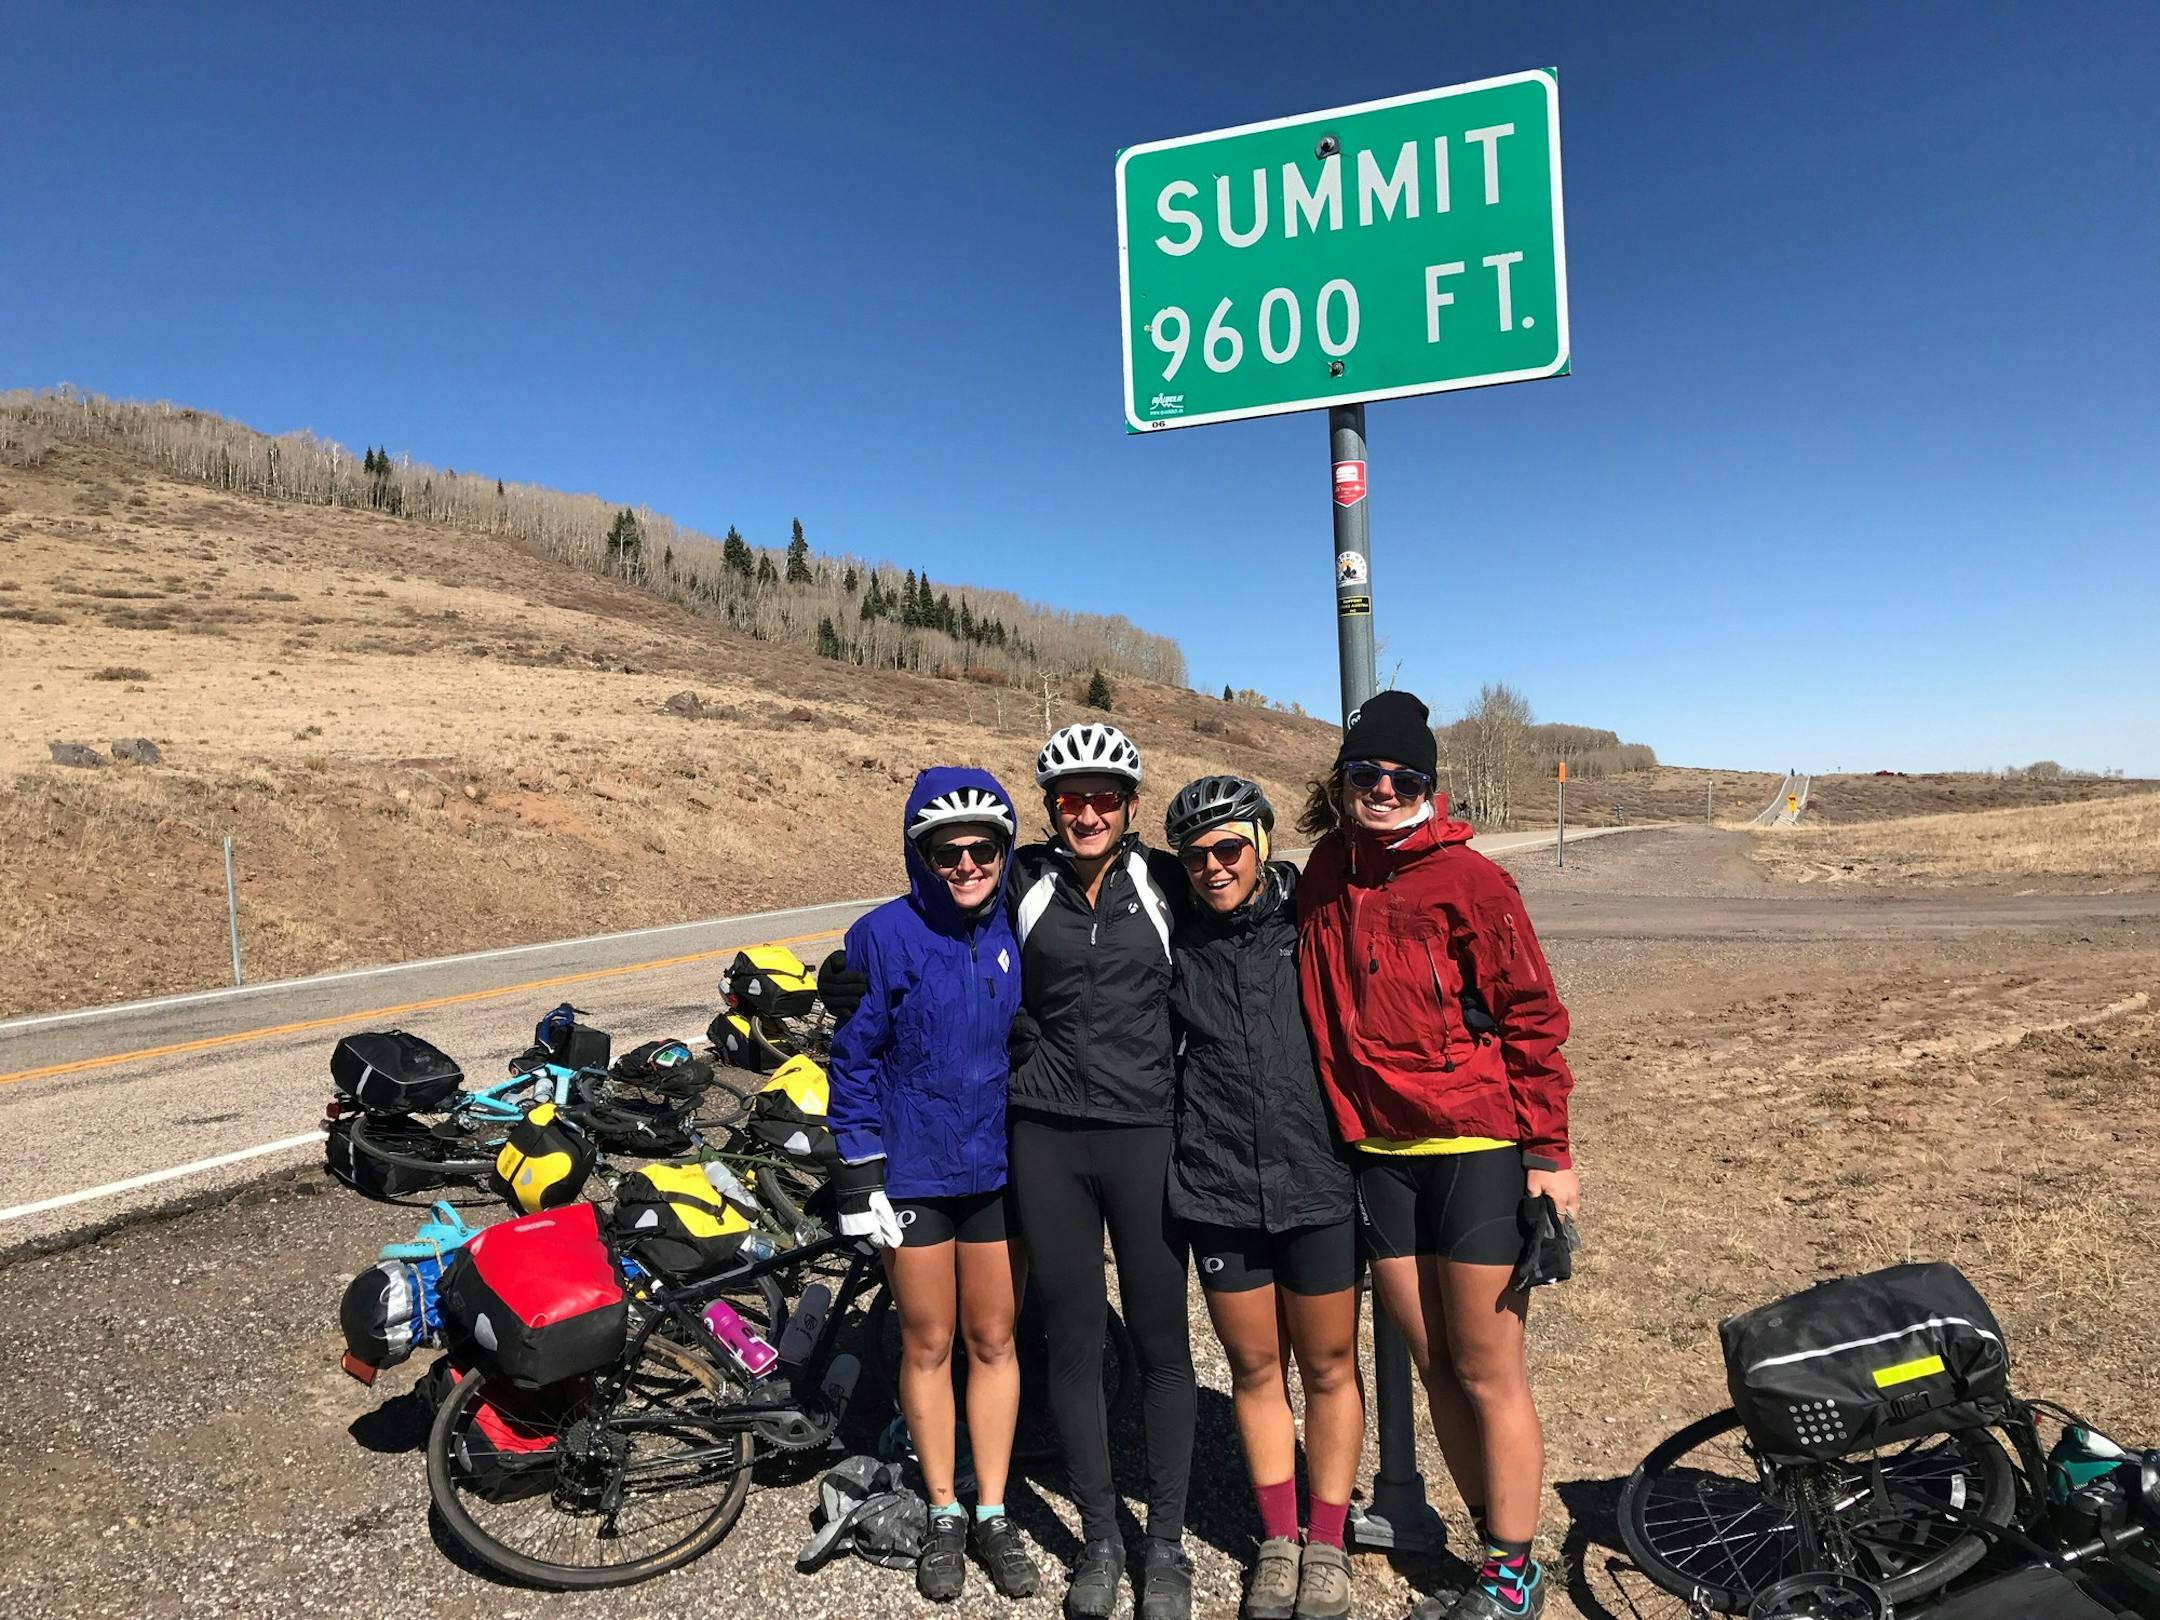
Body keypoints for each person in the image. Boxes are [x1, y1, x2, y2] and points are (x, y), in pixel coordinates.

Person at [1294, 691, 1580, 1620]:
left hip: (1475, 1144)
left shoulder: (1473, 883)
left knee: (1490, 1365)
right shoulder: (1325, 870)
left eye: (1402, 778)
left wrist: (1549, 1150)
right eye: (1366, 774)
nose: (1382, 789)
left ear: (1429, 788)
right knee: (1432, 1364)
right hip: (1377, 1150)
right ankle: (1497, 1556)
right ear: (1342, 781)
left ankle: (1511, 1576)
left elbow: (1533, 1017)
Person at [826, 766, 1040, 1603]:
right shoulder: (882, 935)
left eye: (982, 848)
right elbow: (853, 1056)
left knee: (995, 1340)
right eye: (945, 851)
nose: (965, 864)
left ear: (1003, 848)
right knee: (928, 1342)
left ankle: (992, 1509)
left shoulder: (1016, 927)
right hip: (914, 1170)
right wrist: (857, 1168)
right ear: (920, 855)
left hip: (994, 1166)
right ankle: (944, 1508)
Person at [1006, 721, 1198, 1620]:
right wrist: (858, 971)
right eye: (1071, 798)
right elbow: (938, 926)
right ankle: (1100, 1539)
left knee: (1162, 1346)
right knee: (1075, 1344)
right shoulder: (1023, 883)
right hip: (1046, 1138)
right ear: (1051, 806)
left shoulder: (1164, 882)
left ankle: (1166, 1548)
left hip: (1143, 1137)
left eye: (1105, 798)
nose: (1087, 812)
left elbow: (1245, 917)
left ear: (1130, 806)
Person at [1164, 775, 1362, 1620]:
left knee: (1326, 1367)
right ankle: (1278, 1540)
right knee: (1254, 1369)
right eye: (1196, 855)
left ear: (1262, 843)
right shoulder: (1174, 938)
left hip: (1315, 1181)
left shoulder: (1309, 919)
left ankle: (1328, 1544)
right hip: (1216, 1187)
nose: (1213, 867)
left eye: (1229, 849)